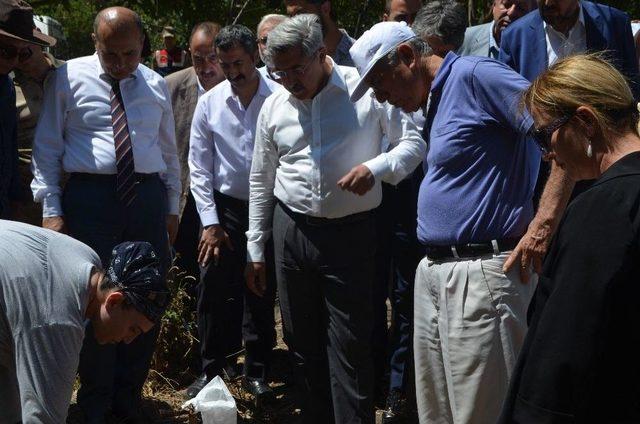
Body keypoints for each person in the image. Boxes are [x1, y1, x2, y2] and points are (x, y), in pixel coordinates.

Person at [349, 21, 575, 423]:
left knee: (484, 412)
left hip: (484, 274)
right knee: (439, 412)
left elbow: (564, 132)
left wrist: (543, 225)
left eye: (381, 84)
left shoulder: (477, 75)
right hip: (437, 274)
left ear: (407, 56)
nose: (381, 98)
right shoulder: (436, 97)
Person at [246, 14, 425, 423]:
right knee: (301, 344)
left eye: (296, 69)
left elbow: (413, 143)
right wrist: (255, 248)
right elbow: (261, 178)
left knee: (351, 344)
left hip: (353, 234)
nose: (289, 80)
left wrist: (376, 168)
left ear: (320, 53)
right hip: (291, 230)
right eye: (279, 71)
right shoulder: (274, 106)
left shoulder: (363, 89)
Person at [30, 7, 180, 423]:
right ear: (96, 45)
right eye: (110, 55)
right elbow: (46, 149)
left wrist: (171, 206)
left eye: (130, 54)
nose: (120, 64)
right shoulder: (66, 78)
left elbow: (168, 152)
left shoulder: (154, 83)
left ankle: (127, 401)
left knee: (145, 301)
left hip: (146, 199)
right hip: (90, 201)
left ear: (142, 47)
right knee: (96, 301)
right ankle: (94, 403)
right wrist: (52, 209)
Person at [499, 54, 640, 423]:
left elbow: (565, 344)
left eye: (545, 135)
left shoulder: (602, 210)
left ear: (585, 122)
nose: (547, 153)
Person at [187, 24, 279, 404]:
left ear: (255, 56)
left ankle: (256, 372)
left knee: (260, 289)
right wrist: (209, 222)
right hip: (224, 213)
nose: (232, 72)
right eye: (223, 64)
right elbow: (199, 167)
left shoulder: (279, 97)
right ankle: (210, 370)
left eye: (238, 63)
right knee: (212, 288)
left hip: (272, 207)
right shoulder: (210, 102)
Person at [0, 221, 169, 424]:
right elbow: (44, 419)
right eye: (133, 329)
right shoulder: (58, 319)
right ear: (114, 301)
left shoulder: (87, 259)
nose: (128, 340)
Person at [166, 21, 224, 281]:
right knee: (182, 270)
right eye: (197, 58)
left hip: (224, 199)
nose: (205, 67)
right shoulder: (170, 87)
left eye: (212, 58)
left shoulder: (242, 85)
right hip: (183, 195)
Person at [0, 0, 55, 219]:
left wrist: (14, 197)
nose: (14, 62)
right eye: (6, 51)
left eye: (22, 54)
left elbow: (8, 151)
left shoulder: (5, 87)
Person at [499, 0, 638, 86]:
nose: (548, 3)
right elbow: (507, 101)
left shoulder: (616, 24)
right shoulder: (514, 37)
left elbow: (631, 87)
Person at [284, 0, 356, 66]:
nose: (295, 24)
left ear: (325, 8)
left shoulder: (360, 56)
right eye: (291, 17)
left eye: (300, 14)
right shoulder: (294, 62)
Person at [458, 0, 534, 58]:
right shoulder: (465, 38)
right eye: (507, 4)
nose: (511, 12)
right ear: (494, 6)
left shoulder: (536, 48)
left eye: (521, 8)